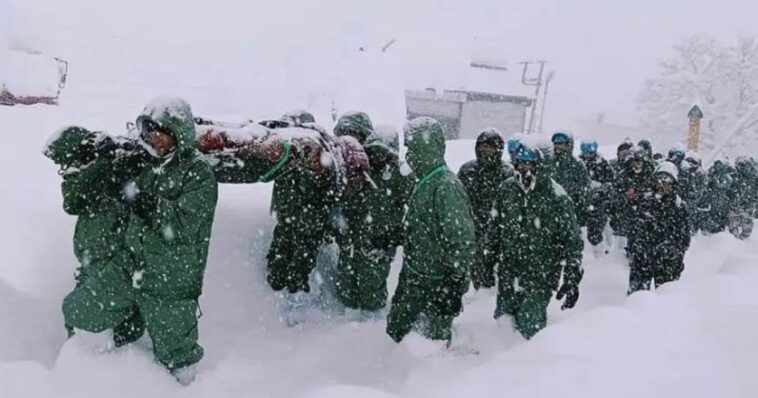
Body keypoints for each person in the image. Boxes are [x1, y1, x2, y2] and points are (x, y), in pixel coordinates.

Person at [57, 98, 218, 384]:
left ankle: (189, 388)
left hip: (170, 278)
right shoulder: (143, 161)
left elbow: (184, 225)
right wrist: (110, 165)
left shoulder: (198, 172)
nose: (154, 138)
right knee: (80, 309)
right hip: (129, 265)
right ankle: (88, 377)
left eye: (162, 131)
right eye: (149, 130)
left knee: (178, 357)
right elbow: (80, 198)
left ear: (178, 133)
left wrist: (138, 198)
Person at [44, 127, 146, 343]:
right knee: (76, 320)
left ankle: (124, 359)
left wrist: (109, 163)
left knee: (83, 314)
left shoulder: (112, 175)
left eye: (66, 162)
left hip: (115, 268)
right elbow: (74, 200)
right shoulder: (88, 178)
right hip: (93, 266)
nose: (63, 170)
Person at [386, 117, 475, 344]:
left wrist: (453, 284)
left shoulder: (446, 186)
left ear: (428, 148)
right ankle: (392, 375)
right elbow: (425, 224)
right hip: (415, 277)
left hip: (436, 283)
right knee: (398, 334)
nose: (409, 155)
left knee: (429, 345)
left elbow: (461, 239)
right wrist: (399, 234)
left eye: (413, 148)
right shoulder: (424, 181)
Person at [481, 142, 583, 339]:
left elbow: (572, 238)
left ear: (542, 166)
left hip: (541, 273)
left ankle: (528, 364)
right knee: (504, 322)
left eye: (531, 164)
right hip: (509, 270)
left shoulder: (556, 196)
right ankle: (499, 365)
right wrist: (488, 257)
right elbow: (495, 226)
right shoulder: (507, 189)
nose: (524, 169)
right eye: (520, 163)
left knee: (530, 325)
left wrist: (572, 273)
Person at [335, 123, 412, 314]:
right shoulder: (358, 169)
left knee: (372, 285)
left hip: (380, 242)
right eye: (373, 151)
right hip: (352, 238)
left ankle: (370, 323)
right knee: (346, 282)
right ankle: (345, 323)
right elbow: (341, 199)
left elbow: (413, 207)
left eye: (382, 152)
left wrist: (397, 233)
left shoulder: (400, 175)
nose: (377, 156)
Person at [266, 112, 336, 294]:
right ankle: (293, 293)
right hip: (308, 220)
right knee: (300, 259)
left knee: (283, 253)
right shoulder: (319, 149)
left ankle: (281, 289)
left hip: (291, 217)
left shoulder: (289, 149)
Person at [458, 128, 513, 289]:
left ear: (499, 149)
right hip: (469, 226)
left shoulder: (506, 173)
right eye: (483, 146)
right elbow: (459, 197)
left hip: (495, 229)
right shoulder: (467, 170)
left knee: (487, 270)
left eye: (490, 146)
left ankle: (483, 297)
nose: (486, 150)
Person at [627, 162, 690, 293]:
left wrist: (675, 256)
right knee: (637, 297)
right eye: (660, 180)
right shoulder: (644, 201)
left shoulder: (679, 207)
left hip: (668, 261)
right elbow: (633, 228)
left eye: (667, 182)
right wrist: (635, 250)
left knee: (667, 298)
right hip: (642, 258)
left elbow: (684, 238)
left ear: (673, 184)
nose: (662, 185)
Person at [611, 145, 656, 252]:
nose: (637, 164)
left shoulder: (650, 175)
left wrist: (640, 196)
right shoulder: (623, 175)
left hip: (644, 212)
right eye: (634, 161)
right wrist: (625, 195)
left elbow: (654, 193)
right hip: (625, 213)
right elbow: (615, 193)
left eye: (639, 161)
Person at [578, 139, 614, 248]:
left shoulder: (602, 164)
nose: (587, 155)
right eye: (585, 152)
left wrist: (600, 190)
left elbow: (610, 181)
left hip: (598, 201)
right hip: (581, 199)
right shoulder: (578, 163)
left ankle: (596, 244)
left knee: (597, 221)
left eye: (590, 152)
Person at [549, 132, 590, 226]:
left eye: (561, 144)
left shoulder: (578, 165)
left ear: (569, 145)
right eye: (556, 143)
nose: (558, 146)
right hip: (550, 209)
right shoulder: (548, 162)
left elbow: (584, 189)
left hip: (571, 210)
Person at [727, 156, 758, 240]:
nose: (742, 167)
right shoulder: (733, 175)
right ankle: (735, 243)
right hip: (737, 206)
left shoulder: (754, 178)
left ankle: (742, 245)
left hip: (747, 206)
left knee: (746, 228)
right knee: (733, 227)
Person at [700, 159, 733, 233]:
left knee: (718, 216)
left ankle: (718, 231)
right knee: (714, 215)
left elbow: (725, 185)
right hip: (715, 199)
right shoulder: (713, 173)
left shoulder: (725, 176)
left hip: (718, 199)